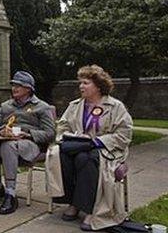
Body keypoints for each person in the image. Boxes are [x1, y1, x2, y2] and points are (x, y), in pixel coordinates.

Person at [46, 65, 132, 231]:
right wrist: (73, 136)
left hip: (105, 149)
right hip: (78, 146)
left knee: (85, 159)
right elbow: (62, 127)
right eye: (80, 83)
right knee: (60, 156)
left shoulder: (116, 107)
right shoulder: (75, 105)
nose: (81, 86)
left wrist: (96, 141)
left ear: (98, 86)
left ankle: (88, 209)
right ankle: (73, 202)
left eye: (85, 83)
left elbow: (124, 134)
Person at [0, 70, 55, 214]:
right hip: (7, 141)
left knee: (8, 146)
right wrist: (0, 131)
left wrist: (27, 134)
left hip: (30, 144)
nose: (14, 88)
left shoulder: (42, 107)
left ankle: (11, 194)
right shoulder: (6, 106)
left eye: (18, 85)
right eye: (13, 85)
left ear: (29, 89)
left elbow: (50, 133)